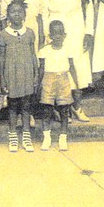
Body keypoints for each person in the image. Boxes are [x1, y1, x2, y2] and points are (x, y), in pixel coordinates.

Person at [38, 0, 93, 123]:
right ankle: (61, 108)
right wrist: (47, 34)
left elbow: (88, 5)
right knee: (57, 66)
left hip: (76, 26)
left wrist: (88, 31)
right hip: (55, 28)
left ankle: (76, 106)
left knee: (77, 66)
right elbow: (43, 9)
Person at [0, 0, 39, 152]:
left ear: (24, 14)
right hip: (11, 74)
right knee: (13, 106)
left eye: (19, 11)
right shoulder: (3, 34)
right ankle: (13, 136)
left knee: (26, 105)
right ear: (8, 15)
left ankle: (26, 136)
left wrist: (35, 75)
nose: (16, 14)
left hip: (27, 73)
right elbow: (1, 59)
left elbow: (33, 55)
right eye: (12, 11)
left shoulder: (29, 33)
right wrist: (2, 79)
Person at [37, 20, 77, 151]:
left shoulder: (68, 49)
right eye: (55, 33)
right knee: (46, 110)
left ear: (64, 35)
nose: (57, 36)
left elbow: (71, 68)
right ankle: (46, 137)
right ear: (50, 35)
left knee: (64, 111)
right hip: (48, 80)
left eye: (60, 33)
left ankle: (63, 138)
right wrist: (38, 84)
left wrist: (76, 84)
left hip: (63, 80)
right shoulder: (44, 51)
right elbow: (41, 69)